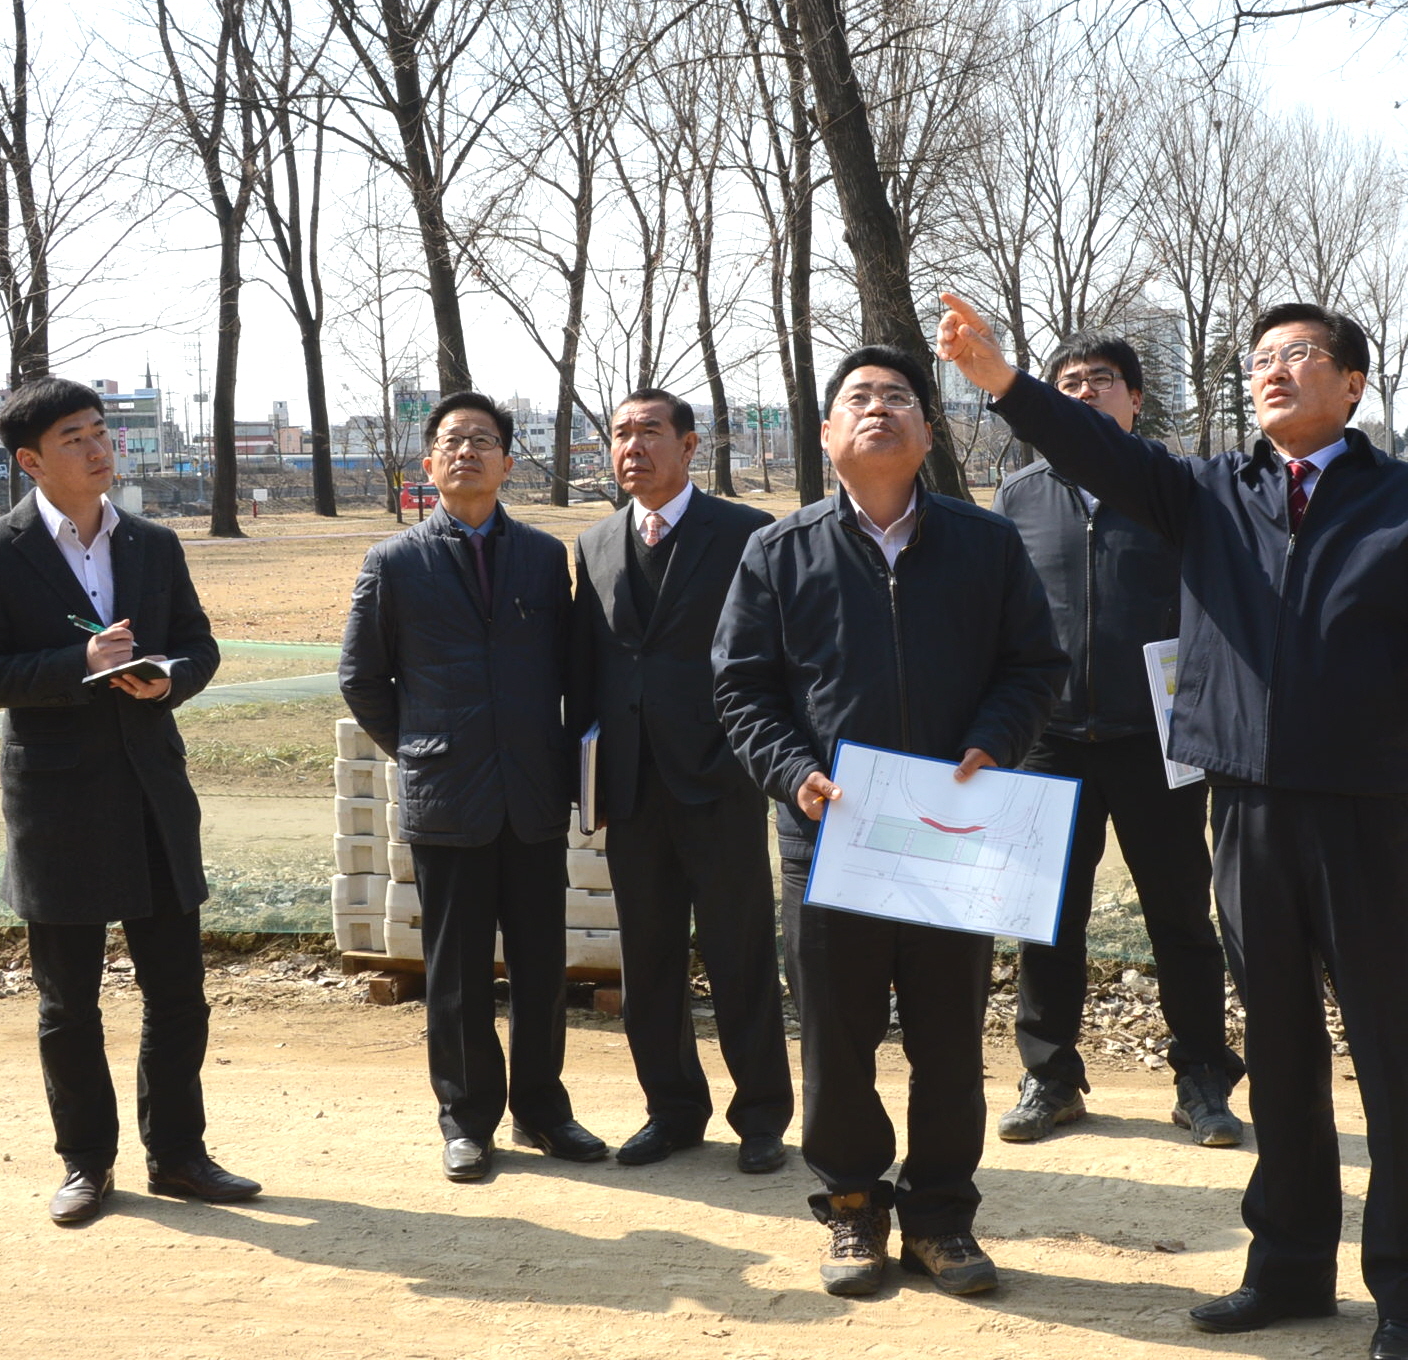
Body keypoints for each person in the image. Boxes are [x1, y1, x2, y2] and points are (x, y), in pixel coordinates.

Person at [938, 293, 1408, 1360]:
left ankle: (1407, 1293)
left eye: (1301, 356)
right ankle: (1291, 1266)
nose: (1275, 371)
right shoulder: (1208, 491)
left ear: (1352, 384)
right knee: (1283, 1052)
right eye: (1261, 358)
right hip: (1246, 808)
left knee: (1395, 1058)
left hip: (1364, 814)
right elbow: (1095, 448)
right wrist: (1002, 380)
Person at [713, 345, 1066, 1298]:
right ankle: (855, 1212)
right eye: (857, 398)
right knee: (836, 1040)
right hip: (833, 843)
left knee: (949, 1042)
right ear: (827, 434)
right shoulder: (777, 553)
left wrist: (994, 743)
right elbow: (741, 689)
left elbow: (1035, 665)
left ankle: (942, 1219)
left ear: (929, 431)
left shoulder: (984, 546)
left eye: (900, 398)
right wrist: (795, 775)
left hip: (954, 840)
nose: (879, 409)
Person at [0, 376, 259, 1226]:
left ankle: (179, 1156)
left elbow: (198, 645)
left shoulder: (152, 544)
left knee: (178, 992)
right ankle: (85, 1162)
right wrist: (79, 667)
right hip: (57, 808)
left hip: (153, 794)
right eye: (74, 437)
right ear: (30, 461)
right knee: (68, 1002)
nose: (96, 447)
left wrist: (169, 680)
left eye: (100, 431)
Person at [340, 390, 606, 1183]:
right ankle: (465, 1118)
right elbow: (362, 677)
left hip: (529, 792)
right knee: (454, 971)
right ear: (428, 465)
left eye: (482, 441)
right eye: (451, 441)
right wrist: (418, 748)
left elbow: (567, 669)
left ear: (506, 462)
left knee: (539, 964)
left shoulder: (539, 556)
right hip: (445, 794)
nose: (466, 452)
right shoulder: (392, 562)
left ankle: (543, 1111)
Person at [990, 334, 1244, 1148]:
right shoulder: (1018, 496)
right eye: (1067, 382)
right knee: (1044, 917)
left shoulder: (1175, 492)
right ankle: (1050, 1076)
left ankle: (1202, 1075)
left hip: (1158, 741)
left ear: (1135, 401)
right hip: (1049, 741)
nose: (1084, 391)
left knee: (1179, 916)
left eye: (1103, 380)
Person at [569, 389, 794, 1174]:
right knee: (649, 961)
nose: (633, 446)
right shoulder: (594, 544)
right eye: (620, 434)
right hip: (630, 787)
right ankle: (671, 1110)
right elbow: (591, 663)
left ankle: (761, 1115)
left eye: (650, 432)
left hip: (720, 779)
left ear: (689, 445)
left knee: (739, 955)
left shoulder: (745, 534)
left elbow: (774, 657)